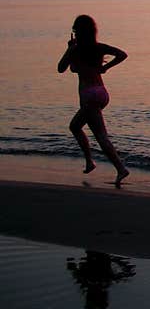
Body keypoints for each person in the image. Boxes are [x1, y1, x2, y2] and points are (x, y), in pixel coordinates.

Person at [57, 15, 130, 187]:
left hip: (89, 94)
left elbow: (61, 68)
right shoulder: (98, 47)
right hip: (101, 92)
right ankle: (90, 162)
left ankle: (120, 168)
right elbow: (122, 54)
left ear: (78, 31)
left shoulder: (75, 50)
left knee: (100, 136)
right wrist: (105, 67)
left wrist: (69, 49)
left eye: (75, 29)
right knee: (75, 126)